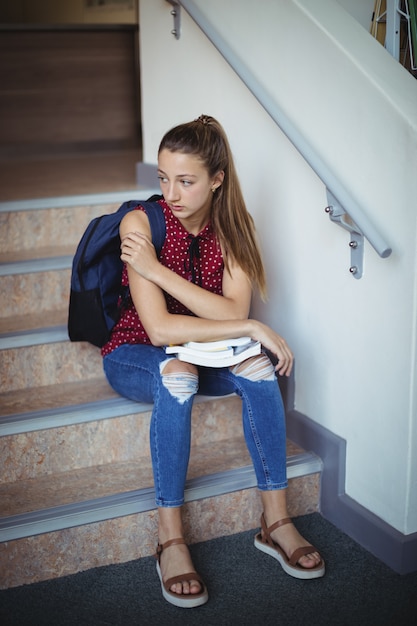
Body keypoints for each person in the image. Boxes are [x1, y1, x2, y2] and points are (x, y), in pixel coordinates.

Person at [101, 114, 325, 608]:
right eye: (163, 178)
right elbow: (159, 329)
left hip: (208, 352)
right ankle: (170, 538)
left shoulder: (233, 227)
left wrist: (160, 272)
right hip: (139, 352)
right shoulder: (141, 222)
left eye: (186, 181)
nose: (172, 193)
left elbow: (235, 312)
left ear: (217, 179)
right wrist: (241, 324)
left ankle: (275, 521)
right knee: (178, 378)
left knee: (259, 367)